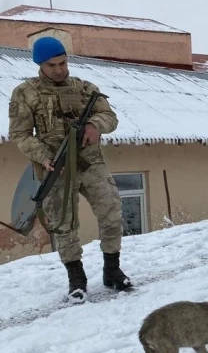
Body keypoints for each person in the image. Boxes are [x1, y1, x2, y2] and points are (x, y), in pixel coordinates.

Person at [8, 36, 131, 303]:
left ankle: (112, 270)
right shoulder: (25, 93)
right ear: (40, 64)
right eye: (52, 65)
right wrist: (43, 157)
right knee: (64, 224)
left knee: (111, 213)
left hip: (90, 162)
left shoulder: (86, 88)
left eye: (63, 63)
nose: (59, 69)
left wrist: (95, 125)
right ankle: (76, 278)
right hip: (56, 165)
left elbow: (110, 117)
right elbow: (19, 134)